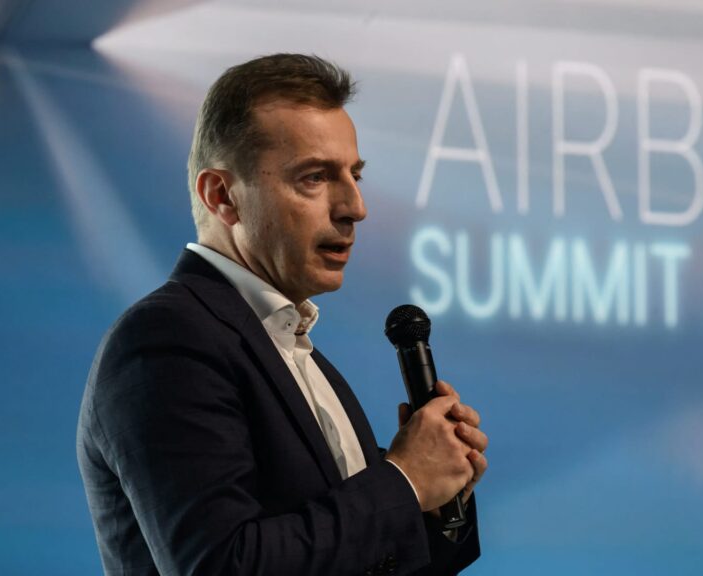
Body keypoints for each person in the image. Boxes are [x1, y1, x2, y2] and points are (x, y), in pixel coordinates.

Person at [77, 53, 487, 576]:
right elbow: (220, 566)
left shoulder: (294, 352)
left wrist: (437, 494)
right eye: (315, 177)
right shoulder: (166, 340)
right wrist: (403, 481)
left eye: (355, 175)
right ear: (222, 196)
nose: (355, 206)